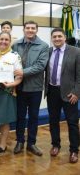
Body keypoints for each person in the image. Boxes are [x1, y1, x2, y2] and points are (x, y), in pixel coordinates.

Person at [12, 20, 49, 156]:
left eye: (33, 28)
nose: (30, 30)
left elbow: (40, 66)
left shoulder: (43, 46)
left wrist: (23, 72)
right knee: (20, 116)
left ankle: (31, 143)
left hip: (35, 88)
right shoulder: (16, 45)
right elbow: (11, 63)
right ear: (24, 29)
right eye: (28, 28)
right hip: (20, 87)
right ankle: (20, 141)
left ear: (36, 30)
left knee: (34, 117)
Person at [45, 28, 79, 163]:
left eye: (60, 36)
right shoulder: (48, 52)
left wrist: (77, 92)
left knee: (72, 123)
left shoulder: (76, 52)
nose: (57, 39)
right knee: (53, 120)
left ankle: (74, 150)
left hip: (70, 93)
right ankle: (55, 145)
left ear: (64, 37)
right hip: (52, 91)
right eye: (54, 37)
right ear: (52, 39)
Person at [0, 32, 23, 154]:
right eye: (1, 39)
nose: (3, 41)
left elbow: (19, 76)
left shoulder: (14, 56)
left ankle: (3, 144)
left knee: (4, 118)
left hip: (5, 91)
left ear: (10, 41)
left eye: (6, 40)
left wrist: (12, 84)